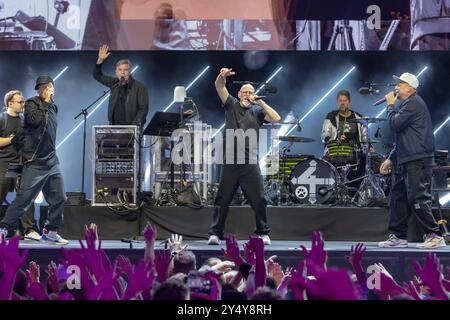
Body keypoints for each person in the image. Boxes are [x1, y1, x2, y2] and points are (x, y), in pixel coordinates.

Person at [208, 68, 281, 245]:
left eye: (250, 92)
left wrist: (261, 103)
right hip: (231, 161)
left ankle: (263, 232)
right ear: (239, 93)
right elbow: (219, 86)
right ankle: (215, 233)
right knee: (222, 199)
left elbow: (276, 118)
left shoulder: (257, 111)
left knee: (259, 199)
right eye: (244, 92)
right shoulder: (231, 104)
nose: (247, 94)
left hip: (250, 162)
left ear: (254, 95)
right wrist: (222, 76)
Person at [378, 72, 446, 249]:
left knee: (418, 197)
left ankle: (434, 235)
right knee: (398, 197)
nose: (396, 87)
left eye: (399, 84)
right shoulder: (408, 104)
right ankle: (398, 236)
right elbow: (402, 136)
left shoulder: (414, 103)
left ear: (409, 88)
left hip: (418, 159)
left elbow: (395, 124)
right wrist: (391, 159)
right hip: (406, 158)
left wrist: (390, 105)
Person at [0, 76, 68, 245]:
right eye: (42, 88)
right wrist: (44, 102)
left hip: (52, 161)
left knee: (60, 197)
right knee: (23, 199)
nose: (45, 90)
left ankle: (51, 231)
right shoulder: (31, 103)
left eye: (48, 87)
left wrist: (48, 104)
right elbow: (34, 120)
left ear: (53, 88)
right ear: (38, 90)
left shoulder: (54, 107)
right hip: (34, 162)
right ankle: (3, 228)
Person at [0, 90, 40, 240]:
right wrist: (10, 140)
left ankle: (29, 230)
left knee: (25, 195)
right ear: (10, 103)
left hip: (20, 163)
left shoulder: (25, 120)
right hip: (3, 163)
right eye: (20, 102)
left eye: (23, 101)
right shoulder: (2, 118)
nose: (23, 104)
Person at [93, 45, 149, 127]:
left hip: (132, 129)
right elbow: (97, 75)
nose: (122, 72)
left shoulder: (139, 87)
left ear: (130, 71)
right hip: (114, 128)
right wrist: (100, 59)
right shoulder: (114, 83)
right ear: (116, 72)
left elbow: (143, 109)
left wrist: (134, 126)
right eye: (120, 70)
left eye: (125, 70)